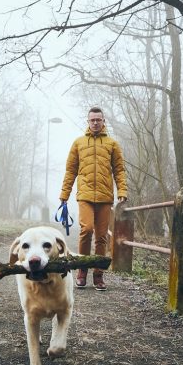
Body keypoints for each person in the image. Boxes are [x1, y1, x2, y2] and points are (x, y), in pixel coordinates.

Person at [59, 107, 128, 291]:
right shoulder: (78, 143)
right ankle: (82, 271)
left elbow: (119, 170)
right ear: (88, 122)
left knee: (101, 237)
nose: (96, 122)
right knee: (86, 229)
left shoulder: (112, 144)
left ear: (103, 121)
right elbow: (70, 171)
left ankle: (98, 275)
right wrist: (64, 195)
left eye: (99, 119)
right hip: (85, 196)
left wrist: (122, 190)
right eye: (92, 120)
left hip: (105, 197)